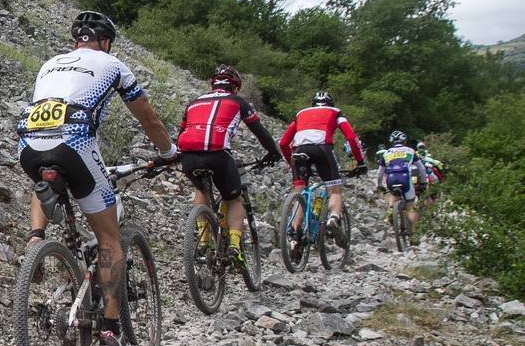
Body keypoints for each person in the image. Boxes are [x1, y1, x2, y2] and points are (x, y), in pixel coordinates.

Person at [17, 10, 177, 346]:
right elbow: (147, 117)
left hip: (29, 144)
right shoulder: (114, 65)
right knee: (109, 240)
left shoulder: (50, 63)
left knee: (45, 175)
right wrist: (167, 151)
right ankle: (109, 328)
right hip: (75, 144)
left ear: (76, 40)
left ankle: (36, 239)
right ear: (105, 41)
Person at [174, 65, 283, 267]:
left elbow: (180, 134)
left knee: (200, 189)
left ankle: (204, 243)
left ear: (212, 84)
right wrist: (274, 153)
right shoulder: (237, 101)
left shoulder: (193, 103)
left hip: (188, 157)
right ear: (235, 87)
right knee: (233, 199)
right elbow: (260, 131)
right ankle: (234, 246)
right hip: (218, 155)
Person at [279, 91, 366, 251]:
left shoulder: (301, 114)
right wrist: (360, 161)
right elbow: (352, 138)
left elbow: (284, 142)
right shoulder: (335, 112)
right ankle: (333, 218)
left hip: (299, 150)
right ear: (330, 103)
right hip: (322, 149)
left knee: (299, 192)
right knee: (335, 190)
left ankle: (294, 237)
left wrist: (290, 162)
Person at [378, 131, 427, 240]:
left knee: (392, 193)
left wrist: (379, 185)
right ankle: (413, 236)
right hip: (405, 178)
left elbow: (380, 172)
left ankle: (391, 209)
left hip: (391, 179)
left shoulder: (386, 153)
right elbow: (422, 169)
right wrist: (423, 182)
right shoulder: (410, 151)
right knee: (410, 206)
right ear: (404, 141)